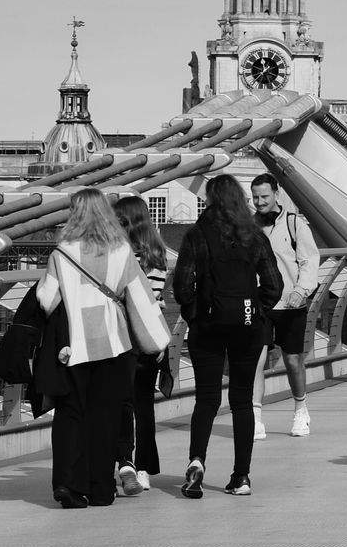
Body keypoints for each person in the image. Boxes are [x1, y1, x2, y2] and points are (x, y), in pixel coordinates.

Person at [172, 175, 281, 498]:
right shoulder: (255, 236)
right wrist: (254, 311)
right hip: (248, 330)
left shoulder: (196, 235)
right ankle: (241, 476)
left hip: (207, 329)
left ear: (210, 200)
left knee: (206, 400)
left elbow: (181, 286)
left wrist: (197, 314)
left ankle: (197, 461)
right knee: (242, 401)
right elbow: (274, 285)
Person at [38, 189, 146, 508]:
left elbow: (47, 299)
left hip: (74, 345)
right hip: (114, 343)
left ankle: (70, 485)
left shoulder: (62, 253)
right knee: (107, 416)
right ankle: (101, 488)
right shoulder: (120, 251)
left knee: (72, 414)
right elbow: (137, 295)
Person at [113, 195, 177, 494]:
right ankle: (143, 468)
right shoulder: (157, 254)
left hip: (124, 338)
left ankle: (123, 460)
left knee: (121, 403)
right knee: (143, 407)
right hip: (150, 338)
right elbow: (155, 298)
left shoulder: (121, 256)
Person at [250, 174, 320, 438]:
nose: (260, 202)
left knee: (292, 360)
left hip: (291, 304)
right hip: (261, 305)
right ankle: (255, 417)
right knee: (257, 360)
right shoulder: (248, 226)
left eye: (265, 196)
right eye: (255, 197)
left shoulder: (295, 225)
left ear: (276, 194)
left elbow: (309, 261)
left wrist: (301, 291)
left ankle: (300, 409)